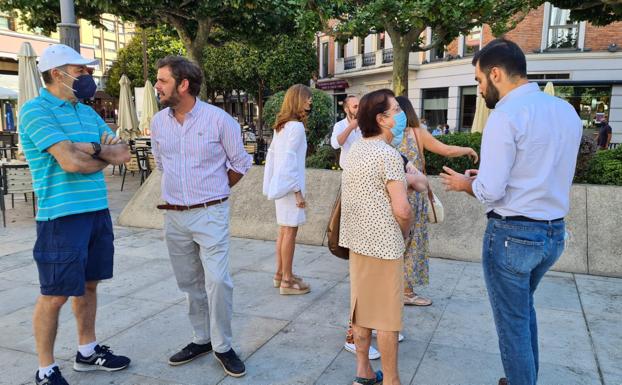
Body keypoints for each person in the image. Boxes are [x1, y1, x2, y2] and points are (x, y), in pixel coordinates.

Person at [440, 38, 582, 385]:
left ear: (496, 73)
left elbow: (490, 191)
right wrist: (483, 176)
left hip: (512, 237)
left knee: (512, 322)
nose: (479, 88)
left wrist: (464, 184)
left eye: (478, 80)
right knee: (522, 312)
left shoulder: (505, 115)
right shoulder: (565, 111)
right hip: (553, 233)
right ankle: (525, 378)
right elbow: (542, 171)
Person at [19, 44, 132, 385]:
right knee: (55, 293)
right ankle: (45, 368)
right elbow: (70, 162)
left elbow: (123, 152)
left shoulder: (86, 112)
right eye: (80, 71)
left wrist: (92, 149)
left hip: (97, 211)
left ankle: (87, 350)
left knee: (89, 285)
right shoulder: (36, 111)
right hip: (61, 217)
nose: (87, 77)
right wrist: (98, 155)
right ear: (58, 73)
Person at [151, 56, 252, 377]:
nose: (157, 86)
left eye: (162, 80)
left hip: (211, 213)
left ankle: (223, 345)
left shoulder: (219, 120)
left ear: (183, 84)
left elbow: (241, 163)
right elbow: (162, 164)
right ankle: (202, 338)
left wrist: (216, 189)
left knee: (218, 281)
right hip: (173, 217)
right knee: (189, 282)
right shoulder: (158, 123)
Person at [340, 88, 413, 385]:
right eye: (395, 110)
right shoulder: (389, 155)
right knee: (386, 317)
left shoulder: (356, 149)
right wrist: (404, 236)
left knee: (361, 308)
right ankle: (392, 380)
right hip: (384, 243)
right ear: (382, 119)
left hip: (358, 241)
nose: (400, 115)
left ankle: (363, 371)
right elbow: (403, 210)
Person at [396, 96, 478, 307]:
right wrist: (467, 150)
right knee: (413, 244)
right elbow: (446, 150)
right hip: (414, 196)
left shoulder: (386, 136)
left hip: (392, 195)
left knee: (394, 243)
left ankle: (391, 289)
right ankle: (405, 291)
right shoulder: (417, 132)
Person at [263, 84, 312, 295]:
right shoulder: (296, 127)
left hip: (280, 185)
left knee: (283, 231)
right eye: (307, 98)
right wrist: (297, 191)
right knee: (290, 231)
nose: (310, 102)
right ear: (297, 100)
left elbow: (272, 157)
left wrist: (272, 184)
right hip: (290, 187)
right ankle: (287, 280)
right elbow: (291, 160)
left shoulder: (281, 127)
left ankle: (280, 273)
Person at [331, 95, 361, 169]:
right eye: (355, 107)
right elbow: (335, 145)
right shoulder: (339, 125)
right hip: (347, 169)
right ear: (346, 109)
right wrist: (350, 127)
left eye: (360, 106)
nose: (359, 109)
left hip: (365, 169)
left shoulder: (366, 124)